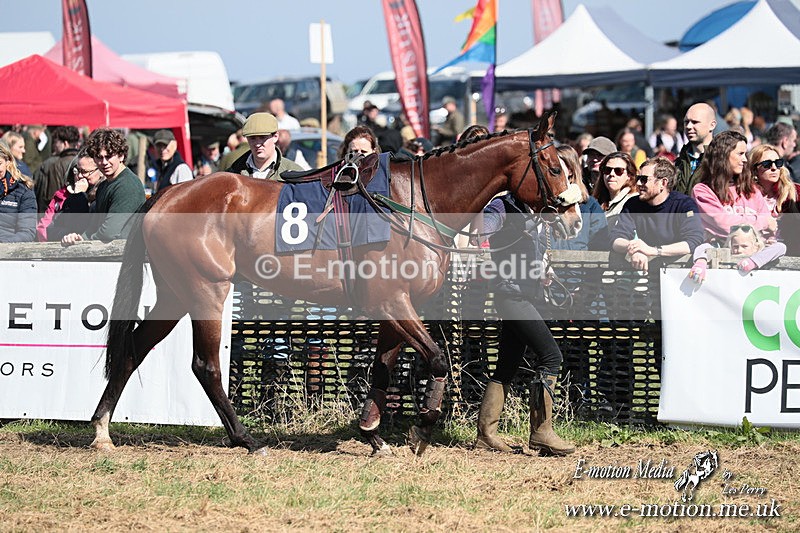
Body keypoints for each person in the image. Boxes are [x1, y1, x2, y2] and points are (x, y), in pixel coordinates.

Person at [474, 193, 575, 456]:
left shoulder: (535, 210)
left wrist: (541, 270)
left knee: (507, 363)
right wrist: (531, 221)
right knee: (551, 357)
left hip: (524, 293)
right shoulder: (502, 205)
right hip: (511, 295)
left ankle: (486, 434)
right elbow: (483, 228)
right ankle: (542, 433)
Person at [611, 157, 705, 273]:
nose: (639, 183)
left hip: (679, 273)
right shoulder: (632, 205)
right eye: (638, 178)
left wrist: (653, 251)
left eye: (644, 179)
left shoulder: (684, 205)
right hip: (645, 273)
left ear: (663, 183)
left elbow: (693, 242)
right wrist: (634, 248)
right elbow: (616, 239)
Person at [61, 128, 145, 245]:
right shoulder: (104, 186)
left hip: (122, 257)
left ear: (121, 156)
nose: (104, 162)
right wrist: (79, 238)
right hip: (107, 254)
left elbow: (109, 233)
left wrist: (84, 243)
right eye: (99, 157)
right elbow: (93, 228)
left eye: (109, 156)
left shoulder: (127, 185)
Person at [691, 130, 776, 244]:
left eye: (745, 154)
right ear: (723, 155)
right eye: (740, 154)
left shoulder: (751, 190)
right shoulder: (702, 191)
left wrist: (770, 238)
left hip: (755, 253)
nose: (745, 160)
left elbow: (771, 227)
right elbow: (725, 225)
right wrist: (762, 223)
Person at [548, 145, 608, 251]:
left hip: (579, 264)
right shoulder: (543, 204)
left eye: (557, 166)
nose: (552, 170)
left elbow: (600, 243)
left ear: (570, 170)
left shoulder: (589, 205)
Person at [688, 225, 787, 284]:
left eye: (744, 246)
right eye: (735, 246)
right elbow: (703, 246)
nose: (739, 250)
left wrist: (753, 261)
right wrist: (701, 262)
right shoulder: (726, 251)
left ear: (755, 247)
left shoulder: (759, 252)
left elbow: (781, 247)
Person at [749, 143, 800, 256]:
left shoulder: (795, 192)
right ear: (754, 169)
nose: (774, 168)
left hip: (791, 255)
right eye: (767, 164)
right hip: (754, 255)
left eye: (778, 163)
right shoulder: (745, 195)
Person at [37, 150, 98, 242]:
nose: (80, 176)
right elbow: (47, 228)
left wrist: (79, 196)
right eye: (77, 171)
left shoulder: (101, 196)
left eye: (85, 172)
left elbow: (81, 228)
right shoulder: (62, 195)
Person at [226, 112, 303, 180]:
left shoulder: (294, 172)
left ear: (275, 137)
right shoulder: (234, 172)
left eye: (263, 137)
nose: (258, 144)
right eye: (252, 138)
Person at [32, 125, 81, 213]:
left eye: (56, 142)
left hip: (59, 213)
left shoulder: (54, 164)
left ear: (65, 144)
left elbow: (51, 196)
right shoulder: (85, 162)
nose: (55, 146)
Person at [674, 102, 717, 195]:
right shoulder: (678, 163)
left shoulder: (720, 160)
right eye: (686, 122)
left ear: (712, 125)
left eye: (695, 122)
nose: (689, 126)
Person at [0, 141, 37, 242]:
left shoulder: (23, 190)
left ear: (8, 162)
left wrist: (3, 245)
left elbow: (27, 232)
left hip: (9, 251)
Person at [592, 151, 639, 227]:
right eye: (607, 170)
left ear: (629, 175)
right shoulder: (596, 201)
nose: (612, 174)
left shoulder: (633, 202)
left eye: (618, 171)